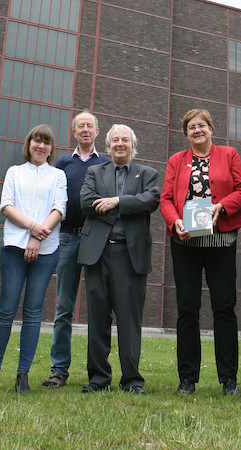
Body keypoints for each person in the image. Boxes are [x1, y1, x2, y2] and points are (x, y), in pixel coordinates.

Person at [160, 108, 241, 397]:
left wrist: (222, 206)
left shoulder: (229, 154)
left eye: (202, 125)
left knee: (224, 308)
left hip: (221, 242)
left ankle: (229, 380)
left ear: (211, 128)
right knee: (187, 310)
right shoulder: (177, 160)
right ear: (186, 133)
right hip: (185, 243)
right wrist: (174, 222)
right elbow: (165, 199)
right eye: (191, 127)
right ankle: (187, 379)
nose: (197, 130)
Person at [0, 125, 66, 393]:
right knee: (5, 310)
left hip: (47, 250)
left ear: (51, 148)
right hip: (14, 247)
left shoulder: (58, 175)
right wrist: (31, 228)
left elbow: (59, 209)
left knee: (32, 312)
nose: (40, 146)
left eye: (46, 143)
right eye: (36, 142)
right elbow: (6, 206)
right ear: (28, 145)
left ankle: (22, 375)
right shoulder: (14, 172)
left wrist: (39, 238)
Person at [78, 124, 160, 393]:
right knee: (98, 319)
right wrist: (126, 204)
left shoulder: (147, 174)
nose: (120, 144)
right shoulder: (94, 172)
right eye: (115, 140)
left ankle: (132, 380)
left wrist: (116, 202)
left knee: (129, 320)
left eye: (125, 139)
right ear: (108, 145)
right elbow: (86, 202)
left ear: (133, 145)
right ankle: (98, 379)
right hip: (98, 254)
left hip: (129, 255)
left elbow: (150, 200)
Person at [42, 111, 108, 389]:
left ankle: (97, 372)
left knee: (99, 308)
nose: (85, 130)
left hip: (96, 240)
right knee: (64, 308)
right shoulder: (62, 163)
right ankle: (59, 369)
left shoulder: (106, 163)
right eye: (80, 126)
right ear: (73, 132)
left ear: (96, 131)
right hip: (67, 240)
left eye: (89, 126)